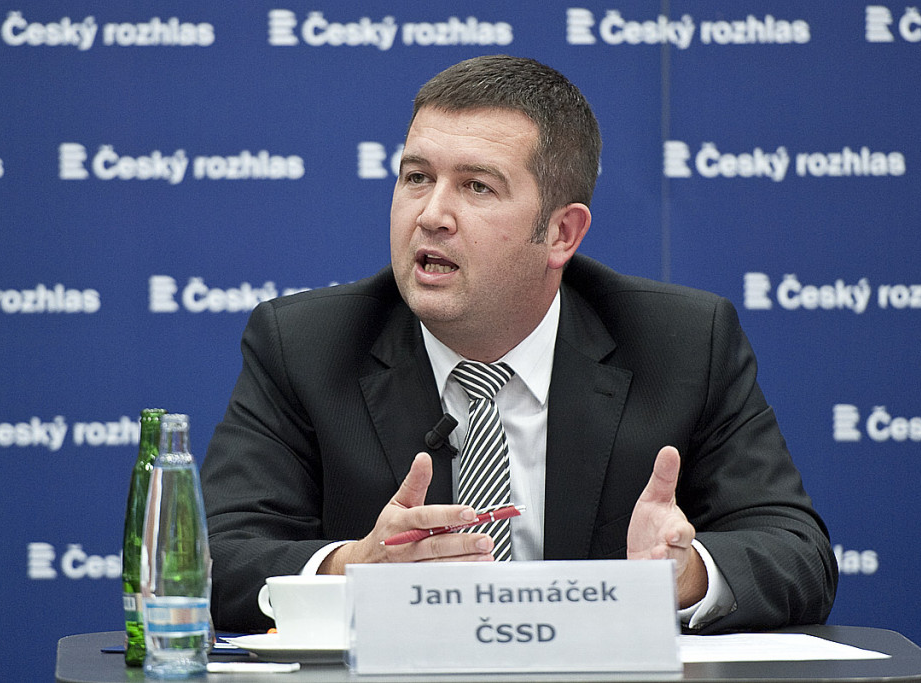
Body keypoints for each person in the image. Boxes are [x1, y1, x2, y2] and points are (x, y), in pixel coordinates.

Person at [200, 55, 837, 635]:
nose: (431, 215)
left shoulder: (683, 345)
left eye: (477, 186)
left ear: (562, 234)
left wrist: (683, 575)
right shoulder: (305, 347)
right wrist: (353, 569)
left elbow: (797, 552)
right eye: (417, 177)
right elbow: (212, 560)